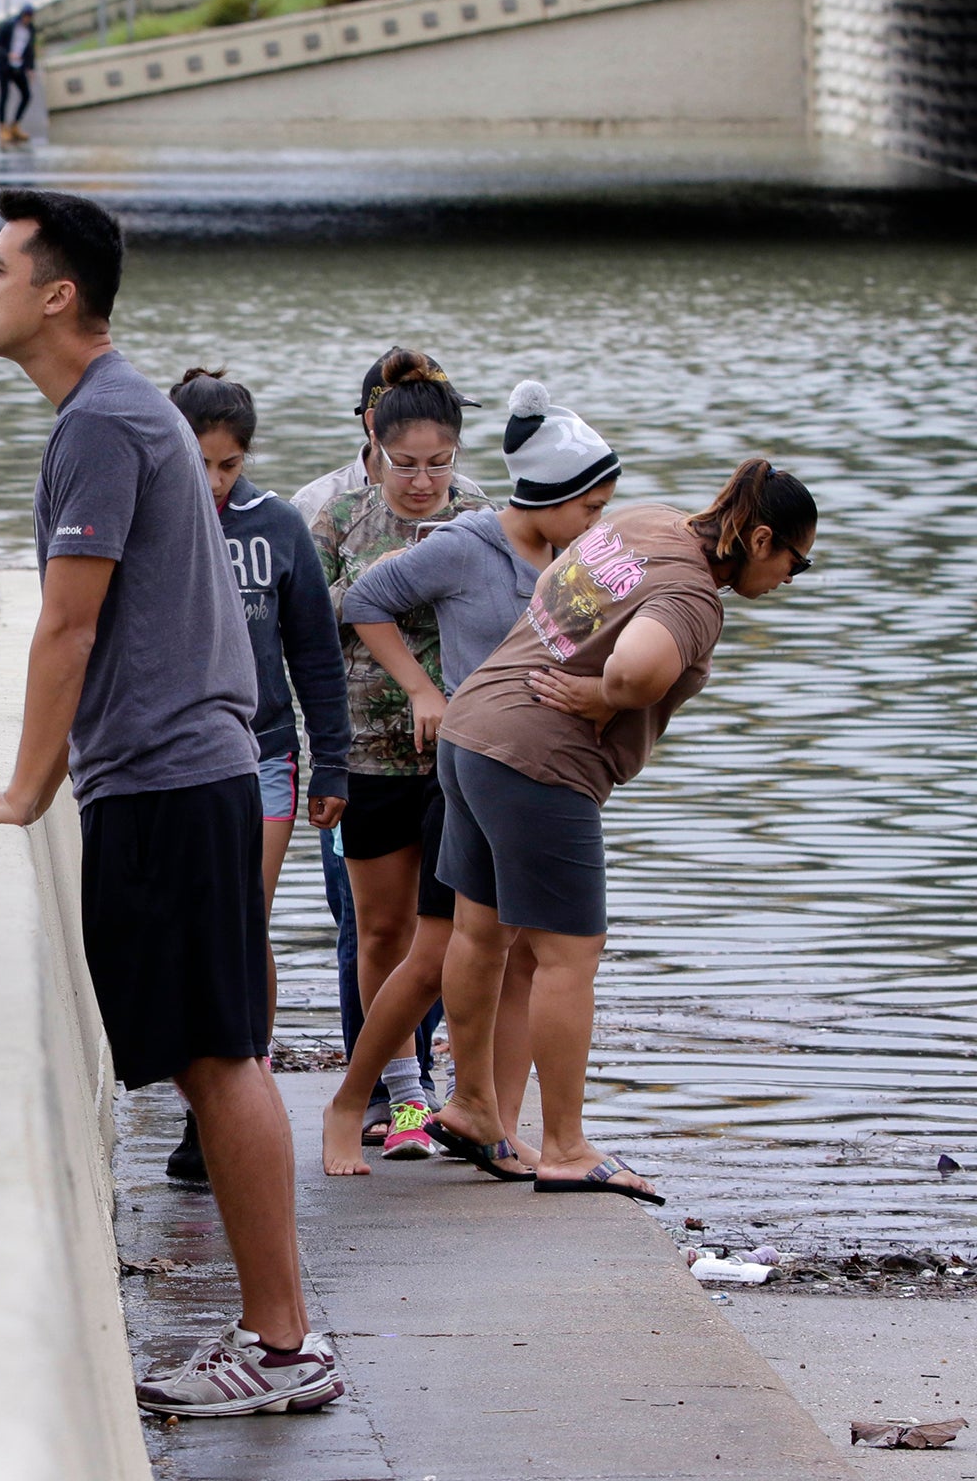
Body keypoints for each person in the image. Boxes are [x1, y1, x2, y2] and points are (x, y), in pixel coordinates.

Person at [0, 187, 343, 1417]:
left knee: (218, 1059)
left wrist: (17, 793)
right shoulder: (120, 411)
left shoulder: (102, 420)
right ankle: (277, 1342)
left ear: (57, 294)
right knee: (217, 1057)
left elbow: (68, 622)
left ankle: (280, 1350)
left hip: (164, 777)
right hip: (183, 774)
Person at [425, 456, 817, 1203]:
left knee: (480, 934)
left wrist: (593, 677)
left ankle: (474, 1107)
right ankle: (568, 1147)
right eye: (796, 564)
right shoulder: (695, 595)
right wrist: (607, 697)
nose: (790, 581)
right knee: (570, 954)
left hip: (472, 730)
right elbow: (638, 669)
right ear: (763, 537)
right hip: (540, 764)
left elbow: (558, 586)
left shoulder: (644, 520)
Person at [320, 380, 621, 1176]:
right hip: (461, 768)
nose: (601, 526)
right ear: (552, 496)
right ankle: (355, 1101)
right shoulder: (466, 542)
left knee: (525, 956)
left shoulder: (577, 563)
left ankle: (493, 1118)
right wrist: (425, 691)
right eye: (591, 508)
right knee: (433, 952)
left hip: (538, 779)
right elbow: (363, 602)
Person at [162, 369, 353, 1186]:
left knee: (242, 921)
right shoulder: (146, 523)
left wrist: (333, 760)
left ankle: (241, 1090)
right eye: (199, 463)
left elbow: (313, 651)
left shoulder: (275, 527)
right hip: (164, 758)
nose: (214, 482)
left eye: (229, 466)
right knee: (183, 928)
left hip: (263, 751)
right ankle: (199, 1093)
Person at [294, 350, 485, 1145]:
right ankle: (390, 1088)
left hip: (457, 751)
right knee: (377, 930)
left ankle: (439, 1084)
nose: (422, 481)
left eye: (438, 464)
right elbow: (304, 620)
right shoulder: (334, 516)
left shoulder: (476, 514)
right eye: (406, 465)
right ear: (374, 443)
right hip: (366, 747)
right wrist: (397, 574)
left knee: (446, 930)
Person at [0, 5, 38, 146]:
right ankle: (2, 127)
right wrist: (8, 54)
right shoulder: (9, 26)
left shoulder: (30, 30)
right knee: (4, 95)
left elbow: (30, 50)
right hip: (5, 66)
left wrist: (30, 68)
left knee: (26, 95)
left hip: (18, 67)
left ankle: (15, 124)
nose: (27, 19)